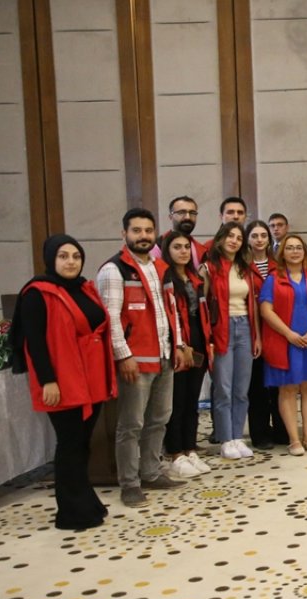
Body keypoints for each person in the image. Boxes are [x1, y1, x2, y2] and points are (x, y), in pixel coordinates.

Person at [10, 235, 116, 529]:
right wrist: (48, 381)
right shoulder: (37, 293)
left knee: (82, 443)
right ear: (50, 260)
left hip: (90, 378)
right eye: (63, 256)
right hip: (62, 380)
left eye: (76, 256)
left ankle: (85, 500)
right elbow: (35, 342)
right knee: (70, 443)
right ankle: (71, 513)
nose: (70, 262)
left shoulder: (83, 288)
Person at [97, 208, 186, 507]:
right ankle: (130, 484)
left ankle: (150, 472)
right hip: (136, 360)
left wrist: (180, 344)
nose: (144, 236)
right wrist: (123, 356)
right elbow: (110, 318)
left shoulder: (161, 267)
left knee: (159, 419)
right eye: (137, 231)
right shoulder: (114, 270)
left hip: (164, 354)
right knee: (131, 424)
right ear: (124, 234)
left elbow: (171, 311)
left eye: (148, 231)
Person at [258, 235, 307, 455]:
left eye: (298, 248)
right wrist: (289, 333)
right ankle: (294, 440)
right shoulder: (273, 278)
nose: (294, 251)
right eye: (289, 248)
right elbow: (266, 311)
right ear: (282, 252)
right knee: (288, 389)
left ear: (304, 251)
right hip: (286, 342)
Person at [202, 221, 262, 459]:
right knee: (224, 389)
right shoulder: (208, 268)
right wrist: (209, 339)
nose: (234, 241)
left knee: (241, 389)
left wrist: (256, 336)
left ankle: (238, 436)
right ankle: (225, 439)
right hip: (222, 329)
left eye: (238, 237)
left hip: (245, 327)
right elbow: (204, 306)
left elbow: (253, 304)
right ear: (220, 238)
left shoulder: (244, 268)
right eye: (230, 236)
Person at [159, 231, 214, 478]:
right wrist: (180, 345)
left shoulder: (195, 277)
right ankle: (175, 453)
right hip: (178, 344)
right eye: (176, 247)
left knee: (192, 402)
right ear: (167, 251)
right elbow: (170, 316)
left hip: (199, 340)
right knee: (177, 402)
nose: (182, 251)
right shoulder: (165, 278)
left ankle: (190, 449)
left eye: (185, 247)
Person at [245, 220, 287, 450]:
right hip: (252, 331)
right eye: (254, 235)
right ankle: (260, 434)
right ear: (247, 239)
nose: (259, 239)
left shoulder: (277, 266)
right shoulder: (242, 267)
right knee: (257, 387)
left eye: (263, 235)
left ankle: (282, 430)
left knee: (279, 385)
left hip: (276, 331)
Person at [150, 195, 206, 268]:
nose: (187, 217)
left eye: (192, 213)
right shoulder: (157, 247)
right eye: (181, 212)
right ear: (171, 217)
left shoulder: (201, 250)